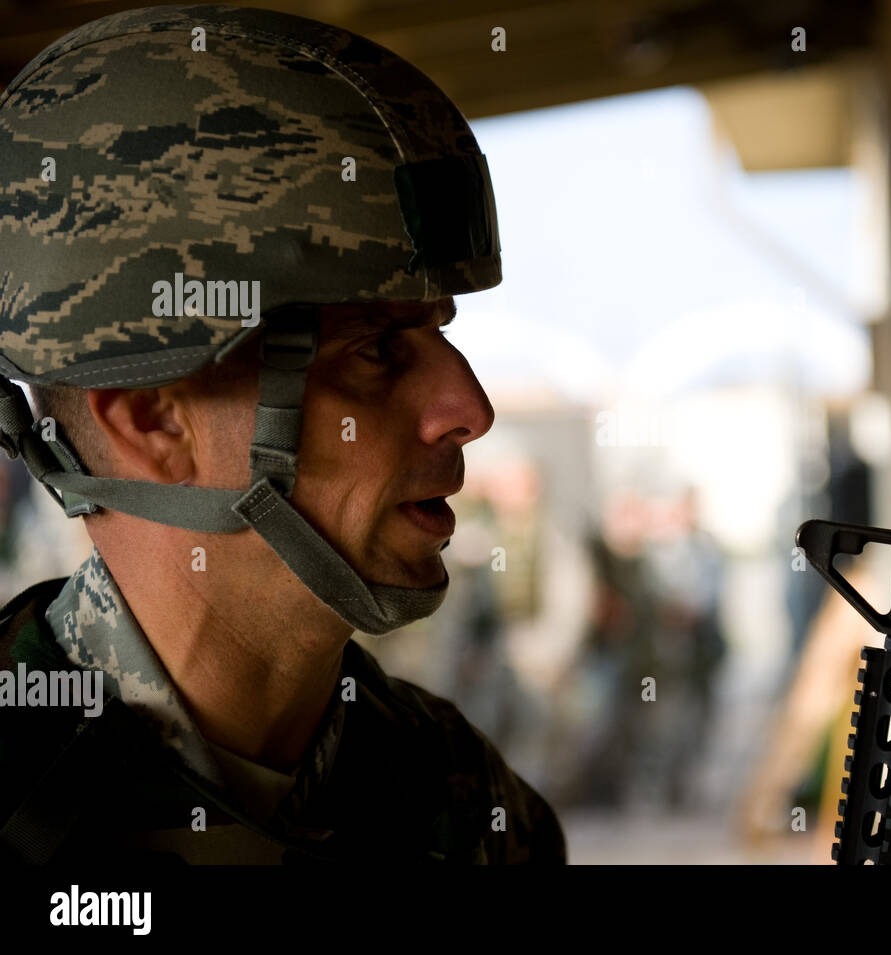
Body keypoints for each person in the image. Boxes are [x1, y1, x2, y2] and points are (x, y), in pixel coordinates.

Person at [0, 5, 563, 864]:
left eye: (441, 334)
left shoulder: (461, 794)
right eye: (377, 349)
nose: (469, 407)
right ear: (153, 417)